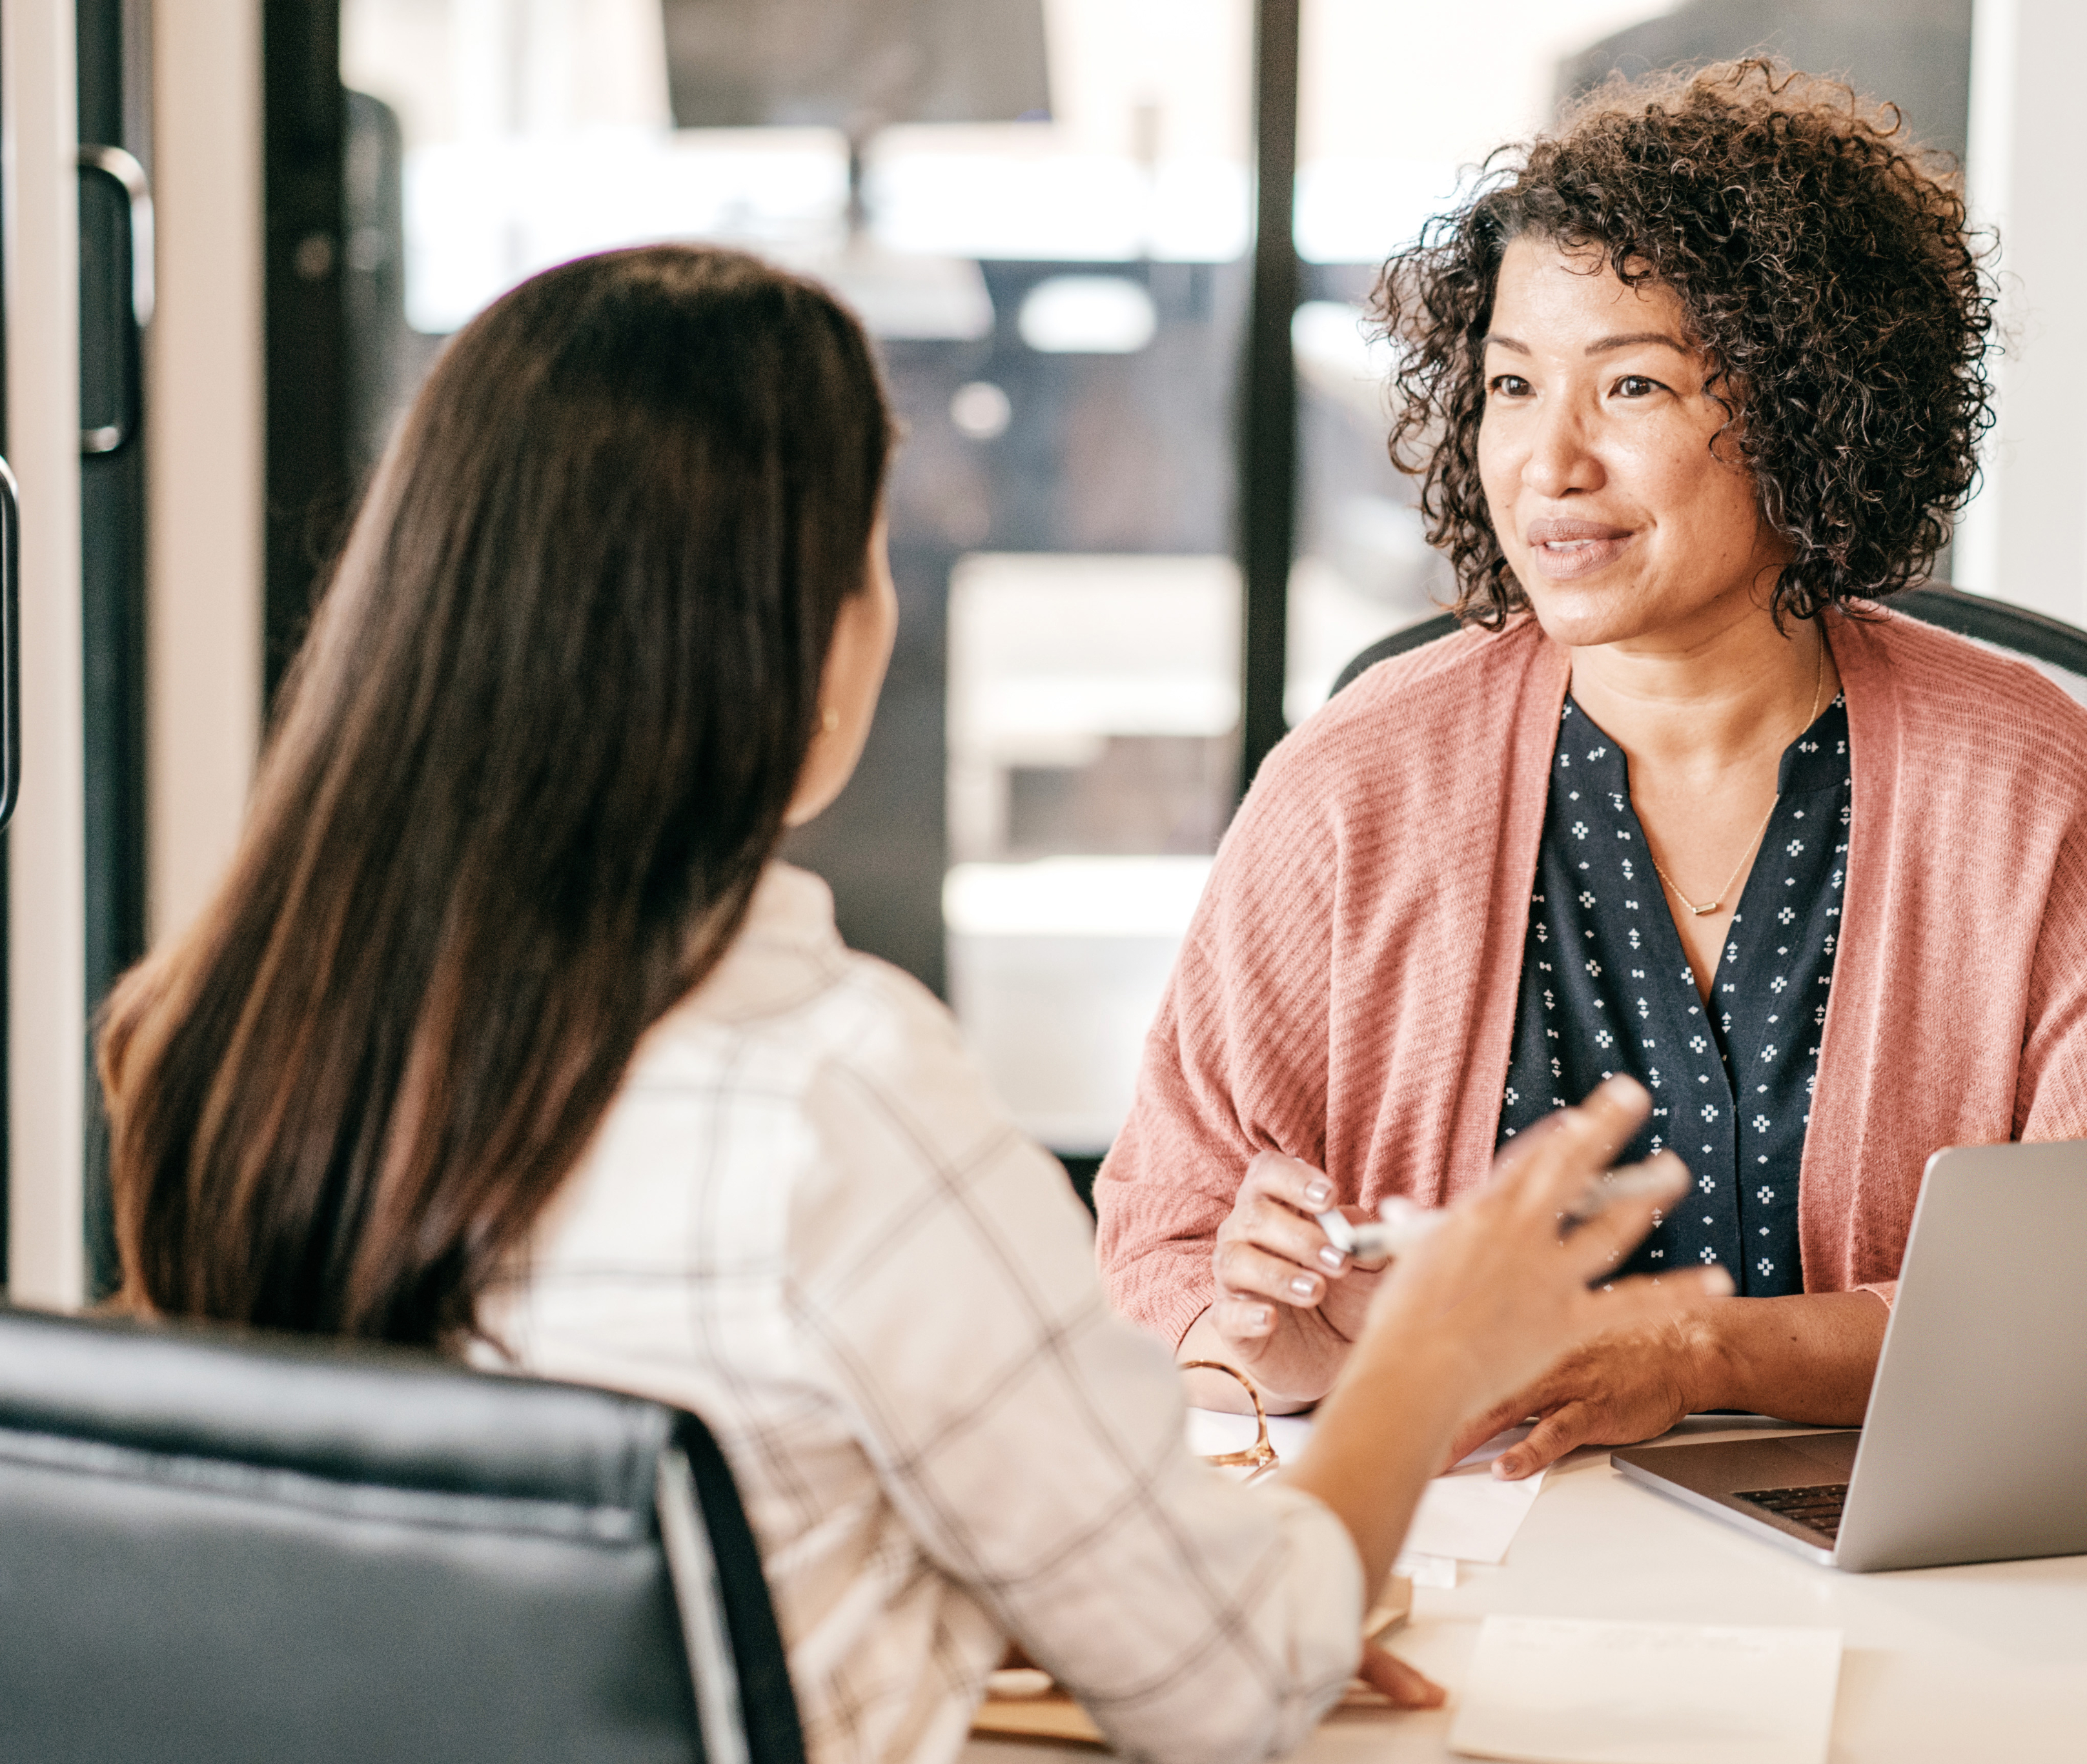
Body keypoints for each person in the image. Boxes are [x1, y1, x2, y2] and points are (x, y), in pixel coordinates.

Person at [96, 245, 1720, 1764]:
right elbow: (1232, 1677)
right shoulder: (830, 1099)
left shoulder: (223, 1037)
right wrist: (1421, 1359)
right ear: (795, 646)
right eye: (875, 555)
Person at [1094, 59, 2087, 1477]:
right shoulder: (1355, 780)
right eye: (1511, 385)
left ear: (1800, 403)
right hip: (1470, 1548)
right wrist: (1277, 1347)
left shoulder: (2027, 781)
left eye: (1630, 383)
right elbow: (1161, 1244)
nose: (1548, 461)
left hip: (1900, 1559)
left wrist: (1712, 1355)